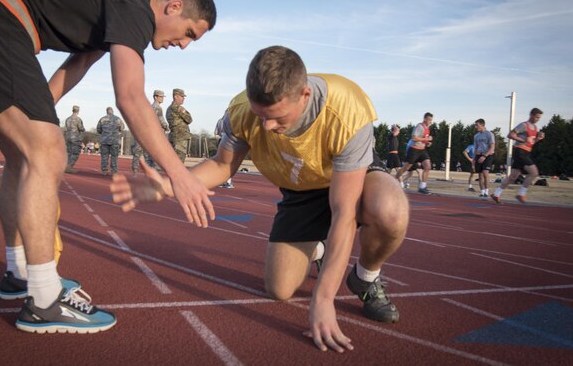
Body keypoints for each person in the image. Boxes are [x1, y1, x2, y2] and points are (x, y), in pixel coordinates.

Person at [0, 0, 217, 334]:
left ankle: (18, 274)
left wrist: (40, 110)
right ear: (173, 7)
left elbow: (79, 62)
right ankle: (44, 300)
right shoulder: (136, 7)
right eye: (189, 33)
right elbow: (131, 98)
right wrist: (180, 175)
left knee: (23, 156)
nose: (184, 45)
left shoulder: (118, 5)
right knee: (47, 151)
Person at [112, 46, 409, 353]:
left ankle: (366, 277)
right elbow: (222, 165)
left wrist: (323, 299)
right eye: (260, 115)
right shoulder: (242, 111)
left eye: (276, 117)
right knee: (279, 289)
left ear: (305, 95)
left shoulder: (346, 108)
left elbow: (344, 212)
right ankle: (317, 249)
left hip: (346, 178)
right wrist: (169, 184)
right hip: (301, 189)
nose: (266, 127)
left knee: (390, 210)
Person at [492, 108, 545, 204]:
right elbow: (510, 135)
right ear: (531, 115)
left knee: (512, 177)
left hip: (526, 152)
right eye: (536, 117)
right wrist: (522, 140)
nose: (538, 119)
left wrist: (538, 139)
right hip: (520, 151)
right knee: (534, 172)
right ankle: (521, 193)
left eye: (539, 118)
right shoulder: (524, 125)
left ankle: (496, 194)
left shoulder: (535, 128)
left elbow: (531, 143)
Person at [395, 112, 433, 194]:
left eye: (431, 120)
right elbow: (414, 138)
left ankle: (422, 187)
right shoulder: (419, 126)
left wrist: (427, 143)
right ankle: (394, 181)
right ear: (425, 119)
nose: (430, 121)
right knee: (406, 168)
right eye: (429, 120)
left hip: (422, 150)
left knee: (428, 166)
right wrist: (426, 140)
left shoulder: (427, 129)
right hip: (414, 149)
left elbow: (422, 139)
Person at [166, 88, 193, 163]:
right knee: (179, 162)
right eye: (182, 96)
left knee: (173, 162)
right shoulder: (178, 108)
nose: (183, 98)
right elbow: (189, 119)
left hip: (173, 137)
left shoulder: (169, 109)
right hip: (180, 139)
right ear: (176, 96)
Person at [97, 107, 125, 175]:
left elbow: (99, 130)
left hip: (104, 140)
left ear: (106, 111)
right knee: (114, 156)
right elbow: (122, 128)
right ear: (112, 111)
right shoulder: (118, 119)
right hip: (114, 140)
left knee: (104, 156)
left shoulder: (102, 119)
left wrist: (105, 133)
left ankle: (104, 170)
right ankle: (113, 171)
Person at [473, 118, 495, 198]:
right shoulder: (476, 136)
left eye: (477, 125)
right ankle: (482, 192)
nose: (476, 127)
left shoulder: (489, 134)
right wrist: (474, 158)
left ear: (482, 125)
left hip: (487, 155)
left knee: (486, 173)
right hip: (479, 155)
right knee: (480, 175)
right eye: (475, 125)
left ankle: (486, 191)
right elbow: (475, 148)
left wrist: (484, 156)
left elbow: (492, 148)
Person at [214, 112, 234, 188]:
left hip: (221, 140)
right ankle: (228, 182)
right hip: (228, 141)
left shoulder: (219, 121)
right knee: (229, 162)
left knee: (221, 161)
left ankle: (221, 180)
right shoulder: (230, 120)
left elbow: (216, 133)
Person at [64, 105, 85, 174]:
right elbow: (81, 128)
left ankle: (66, 166)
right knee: (75, 153)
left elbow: (67, 127)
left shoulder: (67, 119)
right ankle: (69, 167)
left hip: (68, 137)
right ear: (78, 111)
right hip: (75, 138)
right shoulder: (78, 119)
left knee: (69, 152)